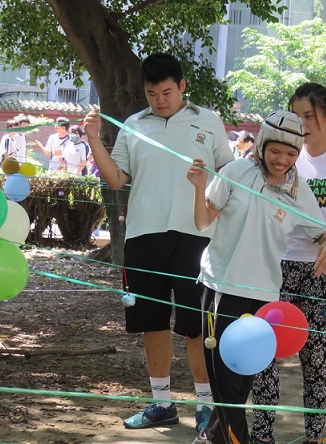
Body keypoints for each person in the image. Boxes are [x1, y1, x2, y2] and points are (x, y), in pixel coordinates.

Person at [83, 52, 235, 442]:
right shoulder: (133, 125)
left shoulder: (209, 121)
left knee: (196, 325)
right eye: (152, 94)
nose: (160, 100)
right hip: (143, 236)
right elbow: (116, 179)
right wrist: (93, 139)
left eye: (166, 92)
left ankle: (205, 405)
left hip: (197, 236)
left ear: (182, 86)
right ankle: (162, 403)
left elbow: (229, 175)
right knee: (151, 320)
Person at [187, 110, 326, 444]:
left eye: (290, 154)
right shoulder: (236, 171)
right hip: (221, 288)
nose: (282, 159)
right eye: (275, 151)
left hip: (265, 296)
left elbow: (322, 232)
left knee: (241, 383)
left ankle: (210, 437)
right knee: (226, 385)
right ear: (261, 145)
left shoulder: (298, 190)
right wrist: (200, 188)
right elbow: (202, 224)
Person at [251, 83, 326, 444]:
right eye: (297, 115)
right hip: (278, 266)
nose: (302, 124)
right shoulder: (287, 155)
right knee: (264, 353)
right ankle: (262, 435)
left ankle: (314, 437)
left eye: (309, 116)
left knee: (318, 360)